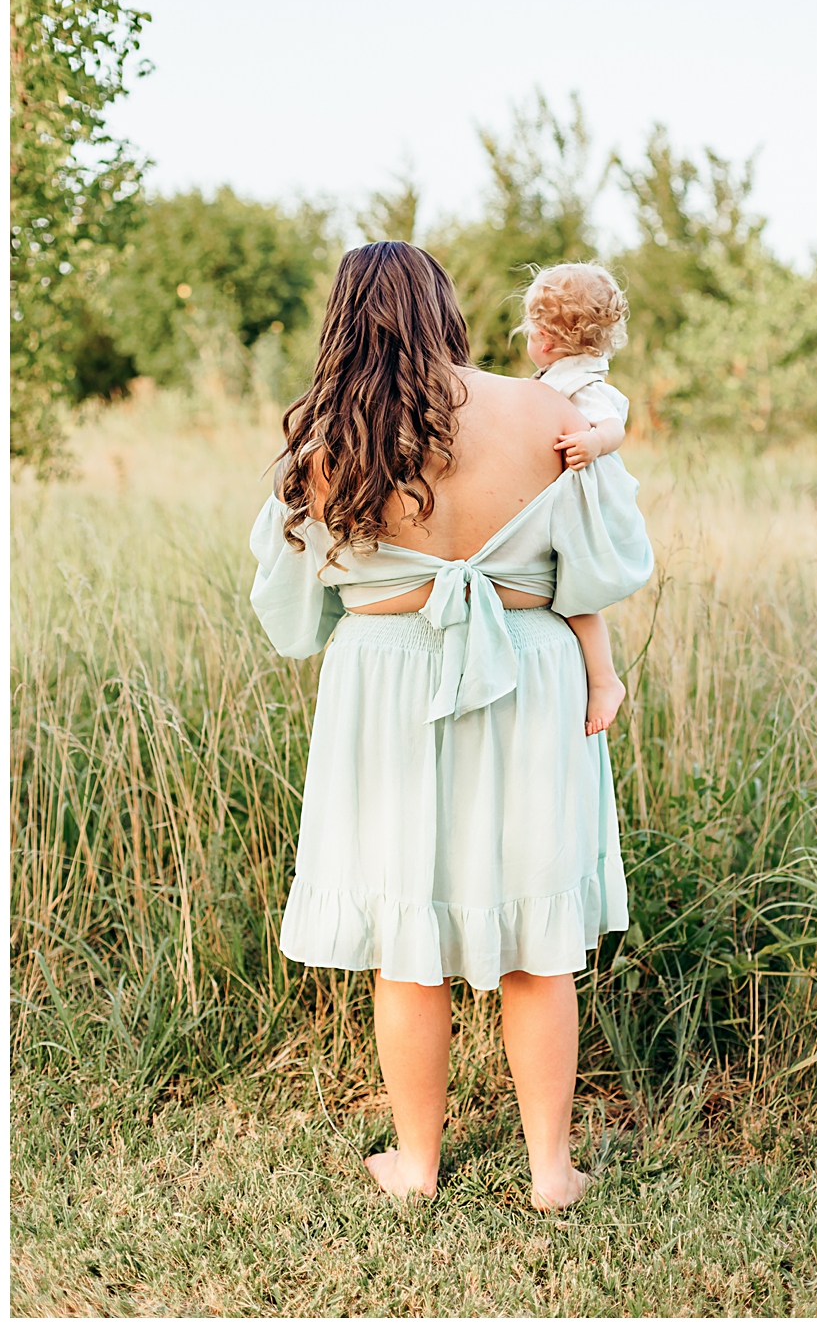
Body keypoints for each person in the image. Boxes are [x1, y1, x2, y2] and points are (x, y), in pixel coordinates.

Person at [248, 241, 654, 1210]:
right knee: (536, 930)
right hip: (532, 672)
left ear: (345, 319)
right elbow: (605, 563)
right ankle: (551, 1169)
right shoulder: (551, 411)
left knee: (404, 928)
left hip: (384, 684)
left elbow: (294, 617)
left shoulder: (323, 439)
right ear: (447, 311)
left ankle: (418, 1163)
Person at [516, 261, 635, 736]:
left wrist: (594, 442)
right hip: (567, 495)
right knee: (568, 593)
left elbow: (614, 427)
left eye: (529, 333)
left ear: (544, 340)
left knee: (576, 597)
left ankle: (605, 680)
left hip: (585, 500)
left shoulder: (584, 385)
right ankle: (602, 678)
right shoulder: (556, 377)